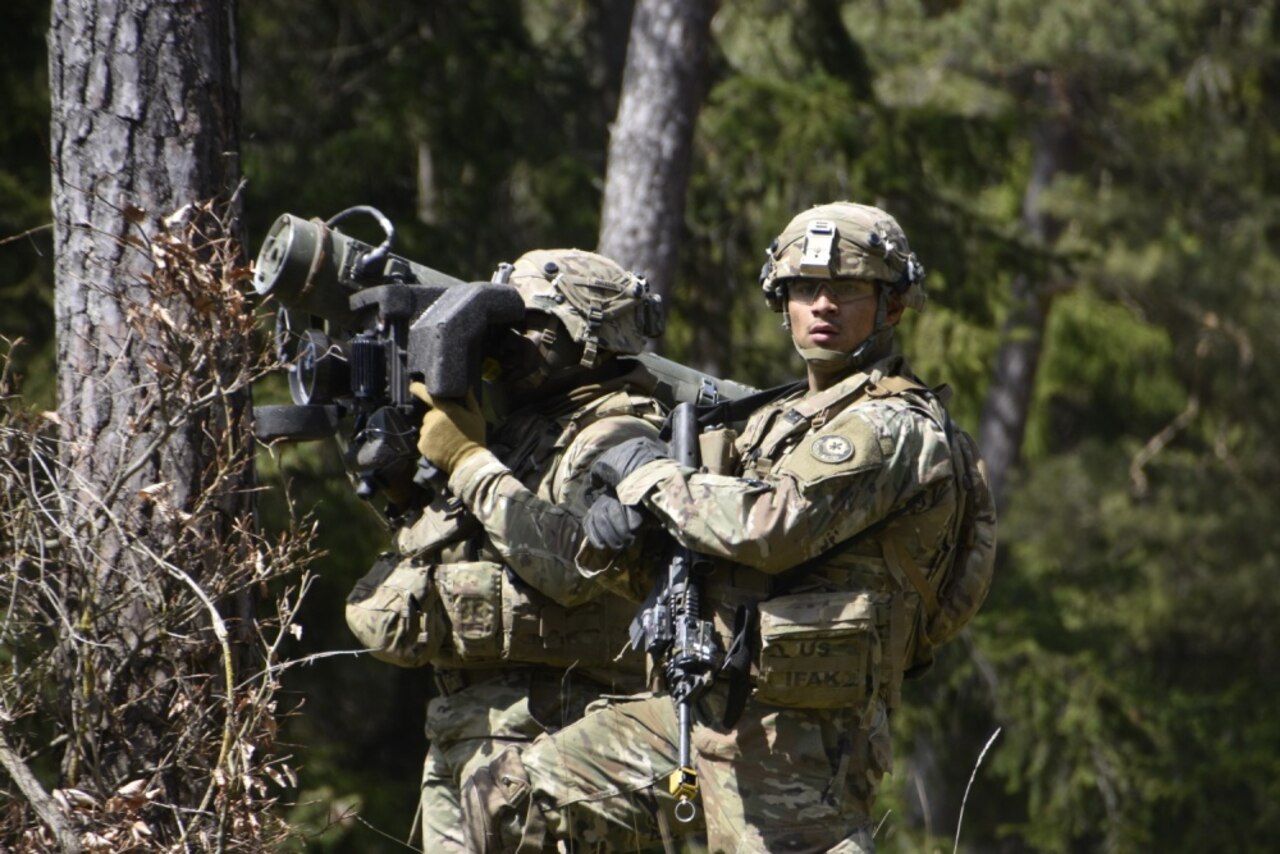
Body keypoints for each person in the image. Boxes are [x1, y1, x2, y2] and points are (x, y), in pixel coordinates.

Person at [461, 201, 997, 852]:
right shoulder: (773, 421)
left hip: (798, 744)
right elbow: (695, 548)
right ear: (783, 300)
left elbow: (769, 530)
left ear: (893, 307)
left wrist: (649, 479)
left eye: (849, 288)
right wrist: (622, 537)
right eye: (805, 288)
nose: (823, 305)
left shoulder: (894, 428)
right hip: (699, 706)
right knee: (509, 799)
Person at [343, 248, 669, 851]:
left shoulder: (623, 433)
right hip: (468, 729)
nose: (511, 346)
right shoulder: (520, 433)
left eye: (532, 328)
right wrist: (402, 486)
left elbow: (574, 568)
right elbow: (462, 551)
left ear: (585, 339)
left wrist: (467, 461)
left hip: (555, 743)